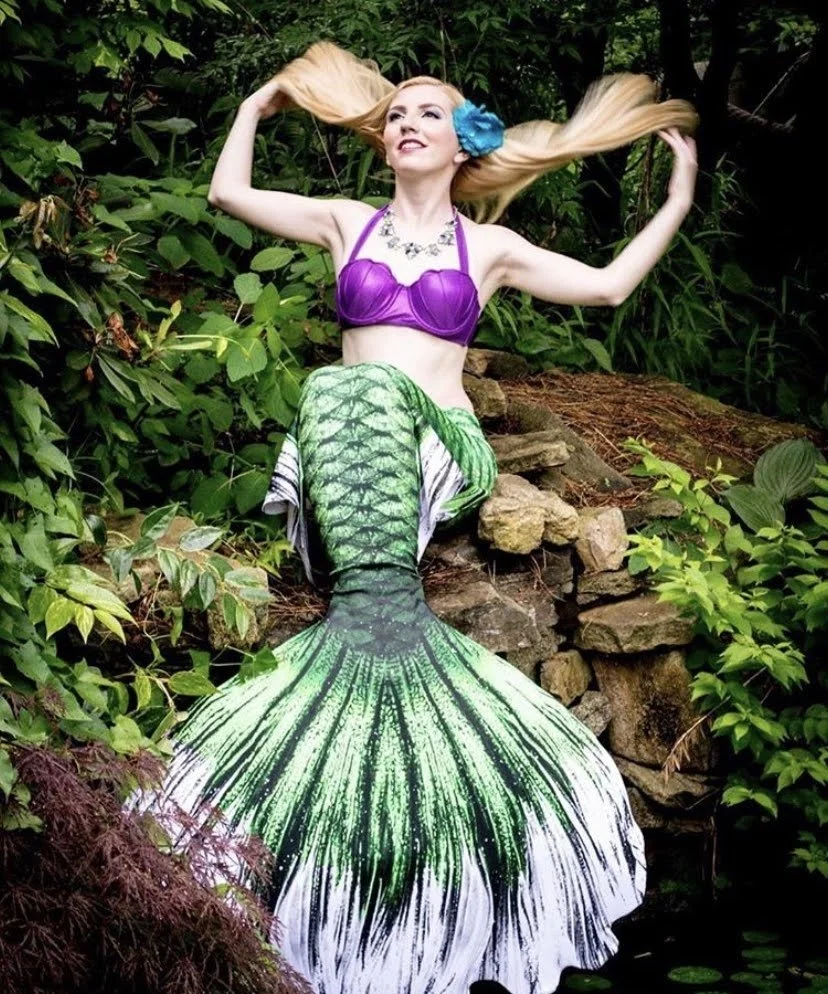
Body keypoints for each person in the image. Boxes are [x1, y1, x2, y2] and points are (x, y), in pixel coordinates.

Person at [132, 42, 698, 994]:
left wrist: (676, 201)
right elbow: (230, 194)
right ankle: (364, 622)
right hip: (350, 446)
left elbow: (605, 287)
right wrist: (259, 101)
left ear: (461, 142)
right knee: (342, 390)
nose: (406, 121)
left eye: (428, 112)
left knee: (358, 393)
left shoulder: (493, 248)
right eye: (395, 112)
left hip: (440, 442)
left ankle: (378, 620)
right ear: (382, 140)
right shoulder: (343, 222)